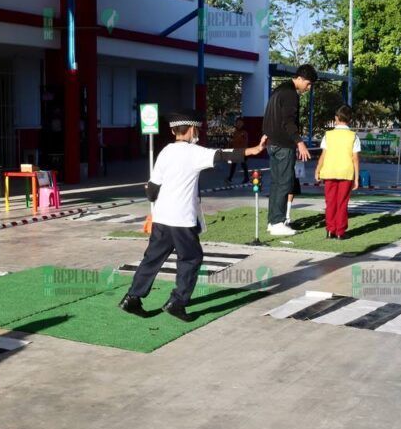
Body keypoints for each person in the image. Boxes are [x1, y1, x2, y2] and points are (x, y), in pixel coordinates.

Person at [119, 110, 267, 322]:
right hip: (181, 219)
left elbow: (152, 189)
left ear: (173, 130)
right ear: (192, 129)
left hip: (161, 217)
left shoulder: (165, 152)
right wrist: (255, 149)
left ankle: (132, 298)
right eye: (197, 129)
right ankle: (177, 302)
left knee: (152, 258)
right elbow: (224, 154)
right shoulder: (194, 152)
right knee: (191, 259)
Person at [262, 64, 316, 236]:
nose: (308, 88)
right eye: (308, 84)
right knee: (285, 183)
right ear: (299, 78)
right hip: (284, 145)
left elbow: (270, 115)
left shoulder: (278, 90)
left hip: (272, 143)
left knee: (277, 183)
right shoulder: (291, 94)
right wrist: (300, 142)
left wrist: (265, 134)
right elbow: (288, 121)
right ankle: (277, 222)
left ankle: (272, 221)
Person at [314, 105, 362, 239]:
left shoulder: (328, 135)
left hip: (329, 171)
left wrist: (317, 170)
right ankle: (340, 232)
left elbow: (323, 155)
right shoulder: (354, 136)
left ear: (336, 118)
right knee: (342, 202)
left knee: (330, 202)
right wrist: (356, 178)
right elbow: (355, 159)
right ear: (350, 119)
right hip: (346, 172)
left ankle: (330, 230)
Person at [226, 118, 250, 184]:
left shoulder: (244, 132)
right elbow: (233, 141)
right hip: (236, 151)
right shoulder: (235, 132)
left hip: (242, 151)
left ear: (243, 124)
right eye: (237, 123)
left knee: (243, 165)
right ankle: (230, 178)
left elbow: (244, 141)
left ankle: (246, 178)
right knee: (235, 165)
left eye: (240, 123)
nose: (238, 124)